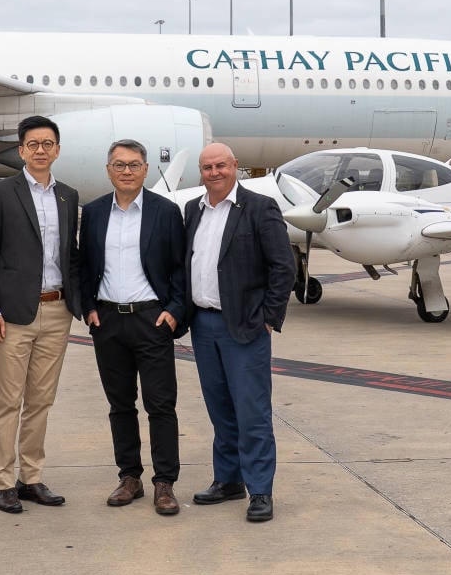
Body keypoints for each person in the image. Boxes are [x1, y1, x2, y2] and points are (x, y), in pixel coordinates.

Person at [182, 141, 296, 522]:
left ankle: (260, 489)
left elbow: (283, 267)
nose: (214, 172)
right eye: (207, 167)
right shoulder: (193, 210)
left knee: (252, 412)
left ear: (235, 166)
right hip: (203, 324)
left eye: (221, 165)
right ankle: (228, 479)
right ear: (201, 172)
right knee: (220, 408)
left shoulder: (260, 208)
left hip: (246, 326)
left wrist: (269, 317)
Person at [0, 114, 83, 514]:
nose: (41, 150)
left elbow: (70, 256)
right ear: (21, 151)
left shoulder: (67, 195)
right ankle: (4, 481)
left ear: (57, 150)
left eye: (47, 144)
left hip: (57, 311)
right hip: (12, 316)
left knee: (41, 401)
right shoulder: (1, 192)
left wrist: (78, 304)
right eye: (33, 144)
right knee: (8, 402)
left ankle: (31, 478)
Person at [78, 137, 190, 515]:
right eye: (119, 165)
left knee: (161, 404)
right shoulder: (94, 212)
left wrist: (173, 311)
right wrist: (88, 308)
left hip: (151, 320)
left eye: (134, 165)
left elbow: (180, 267)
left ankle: (164, 482)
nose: (127, 171)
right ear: (109, 170)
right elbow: (83, 264)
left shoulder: (165, 211)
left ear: (145, 169)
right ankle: (130, 477)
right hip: (108, 321)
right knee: (120, 404)